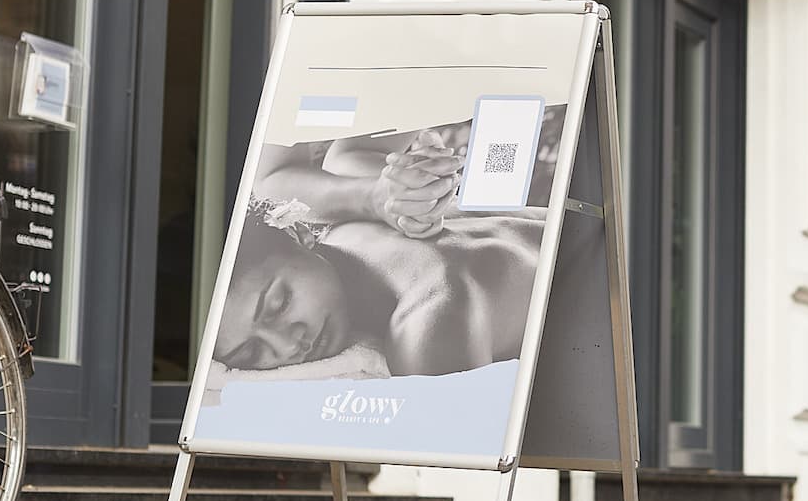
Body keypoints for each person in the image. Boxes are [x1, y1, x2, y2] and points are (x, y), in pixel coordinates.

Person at [209, 107, 582, 379]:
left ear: (301, 234)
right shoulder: (352, 168)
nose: (289, 345)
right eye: (251, 352)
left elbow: (463, 466)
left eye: (278, 304)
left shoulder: (429, 329)